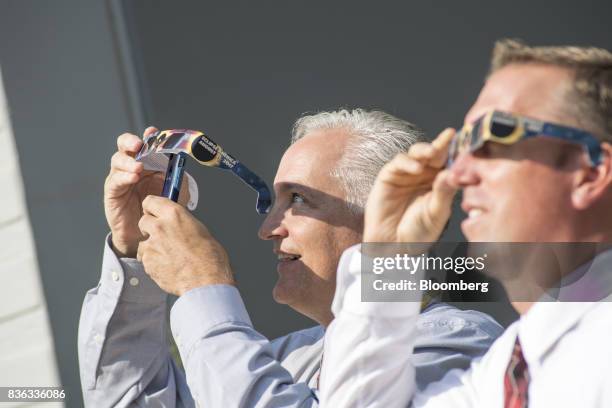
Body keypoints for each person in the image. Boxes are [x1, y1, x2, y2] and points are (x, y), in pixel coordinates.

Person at [78, 109, 502, 407]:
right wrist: (134, 249)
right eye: (272, 201)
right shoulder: (292, 357)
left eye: (298, 200)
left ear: (389, 219)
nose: (267, 229)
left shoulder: (456, 341)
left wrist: (203, 288)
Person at [320, 40, 612, 407]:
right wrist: (388, 255)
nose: (456, 173)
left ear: (590, 171)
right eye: (461, 147)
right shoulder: (508, 366)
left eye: (497, 134)